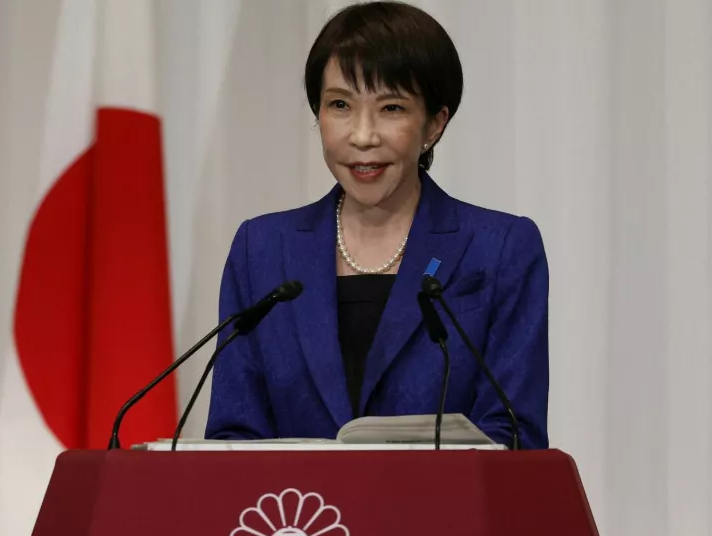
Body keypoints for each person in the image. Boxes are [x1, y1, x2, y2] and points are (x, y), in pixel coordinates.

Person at [204, 1, 549, 449]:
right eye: (340, 105)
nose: (362, 135)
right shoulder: (263, 249)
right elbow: (235, 433)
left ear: (434, 124)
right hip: (298, 517)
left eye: (391, 108)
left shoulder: (500, 248)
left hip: (442, 516)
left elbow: (514, 436)